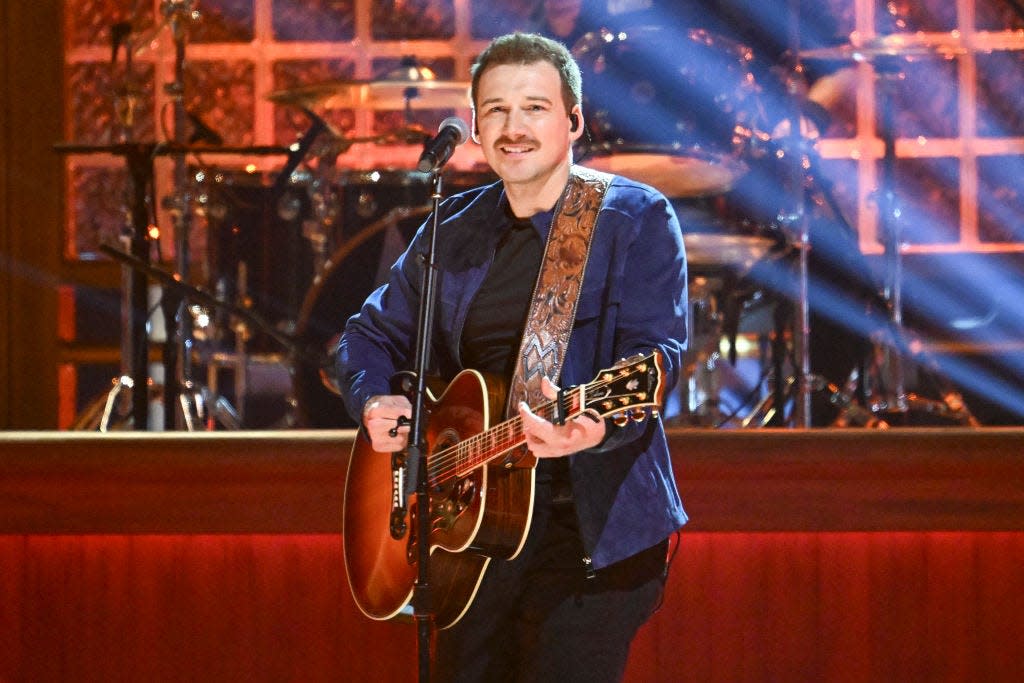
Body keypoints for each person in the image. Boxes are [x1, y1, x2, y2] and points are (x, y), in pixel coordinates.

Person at [336, 32, 688, 682]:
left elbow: (656, 355)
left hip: (585, 533)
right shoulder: (451, 229)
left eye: (534, 107)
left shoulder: (633, 220)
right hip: (471, 539)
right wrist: (374, 395)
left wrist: (594, 423)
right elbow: (366, 337)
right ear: (473, 125)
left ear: (573, 120)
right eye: (495, 109)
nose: (513, 126)